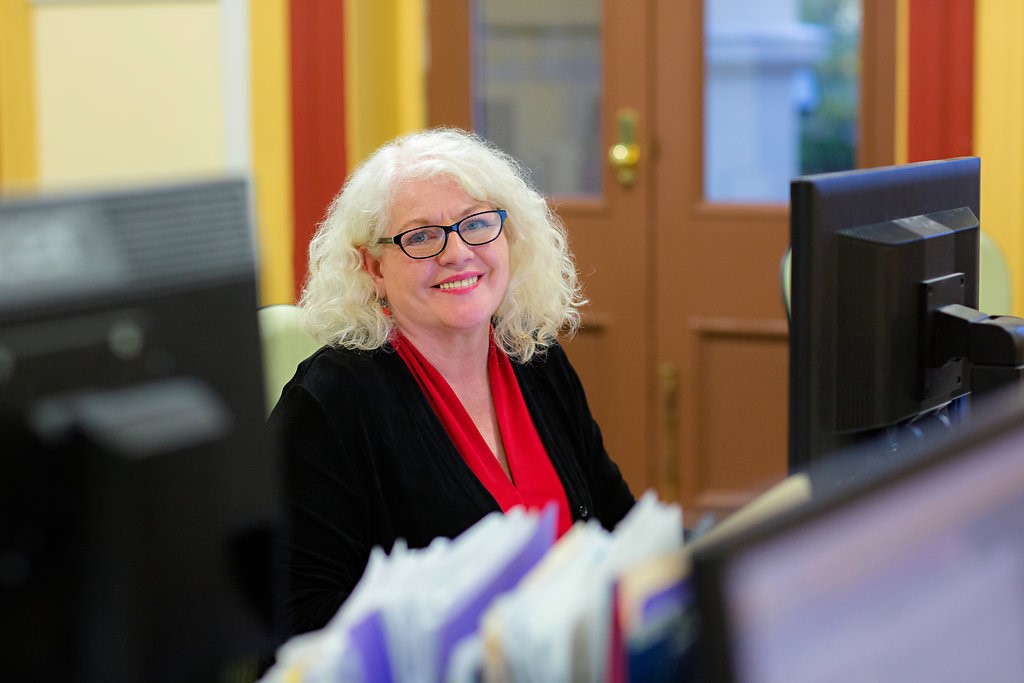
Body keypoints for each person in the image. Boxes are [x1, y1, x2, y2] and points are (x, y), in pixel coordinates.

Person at [270, 127, 635, 638]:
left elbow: (616, 522)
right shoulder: (329, 403)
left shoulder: (533, 355)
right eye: (420, 236)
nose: (457, 253)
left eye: (478, 224)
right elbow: (299, 614)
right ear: (373, 266)